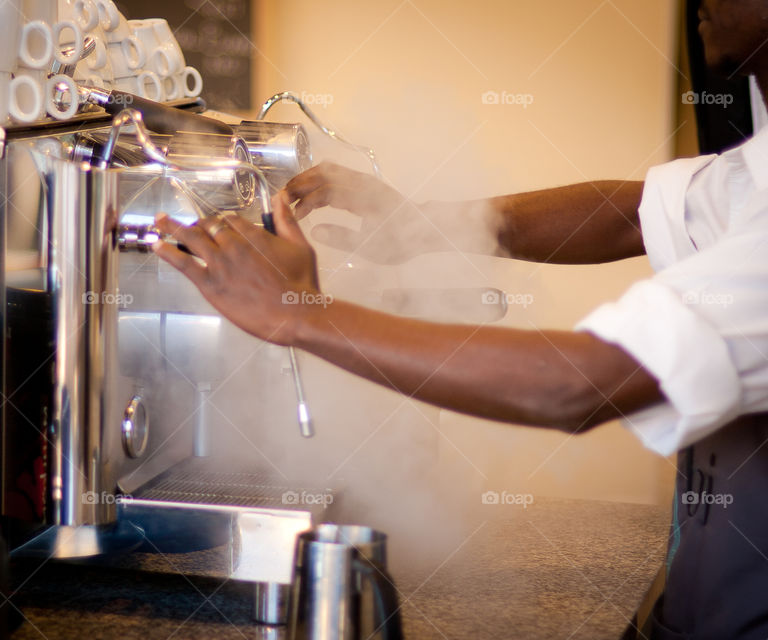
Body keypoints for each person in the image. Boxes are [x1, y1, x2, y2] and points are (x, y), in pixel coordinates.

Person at [152, 0, 768, 637]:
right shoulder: (758, 168)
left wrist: (300, 314)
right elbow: (630, 212)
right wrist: (421, 224)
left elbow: (579, 384)